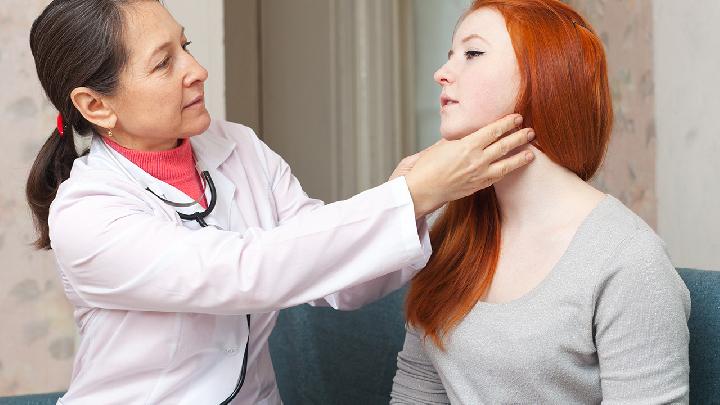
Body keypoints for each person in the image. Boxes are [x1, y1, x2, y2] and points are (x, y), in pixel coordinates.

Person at [25, 0, 535, 403]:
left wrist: (418, 202)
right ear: (96, 105)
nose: (197, 69)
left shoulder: (238, 146)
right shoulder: (86, 214)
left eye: (186, 46)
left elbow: (335, 277)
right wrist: (410, 194)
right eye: (164, 63)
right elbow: (244, 271)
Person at [390, 0, 690, 403]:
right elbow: (416, 395)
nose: (442, 73)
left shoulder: (628, 260)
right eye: (449, 56)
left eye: (473, 53)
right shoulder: (449, 228)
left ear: (543, 76)